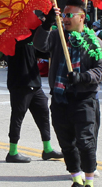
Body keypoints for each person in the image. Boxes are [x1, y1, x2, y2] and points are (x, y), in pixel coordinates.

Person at [33, 0, 102, 187]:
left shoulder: (95, 42)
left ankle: (89, 186)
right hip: (59, 98)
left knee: (85, 143)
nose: (65, 19)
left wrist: (83, 77)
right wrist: (47, 23)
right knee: (67, 143)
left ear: (82, 17)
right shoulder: (57, 36)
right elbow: (39, 45)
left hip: (83, 99)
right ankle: (76, 180)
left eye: (69, 15)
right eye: (63, 15)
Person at [5, 29, 63, 163]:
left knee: (43, 114)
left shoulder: (31, 38)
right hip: (20, 84)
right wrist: (40, 27)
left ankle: (47, 149)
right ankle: (12, 152)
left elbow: (42, 51)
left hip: (35, 84)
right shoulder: (14, 37)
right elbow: (23, 41)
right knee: (17, 117)